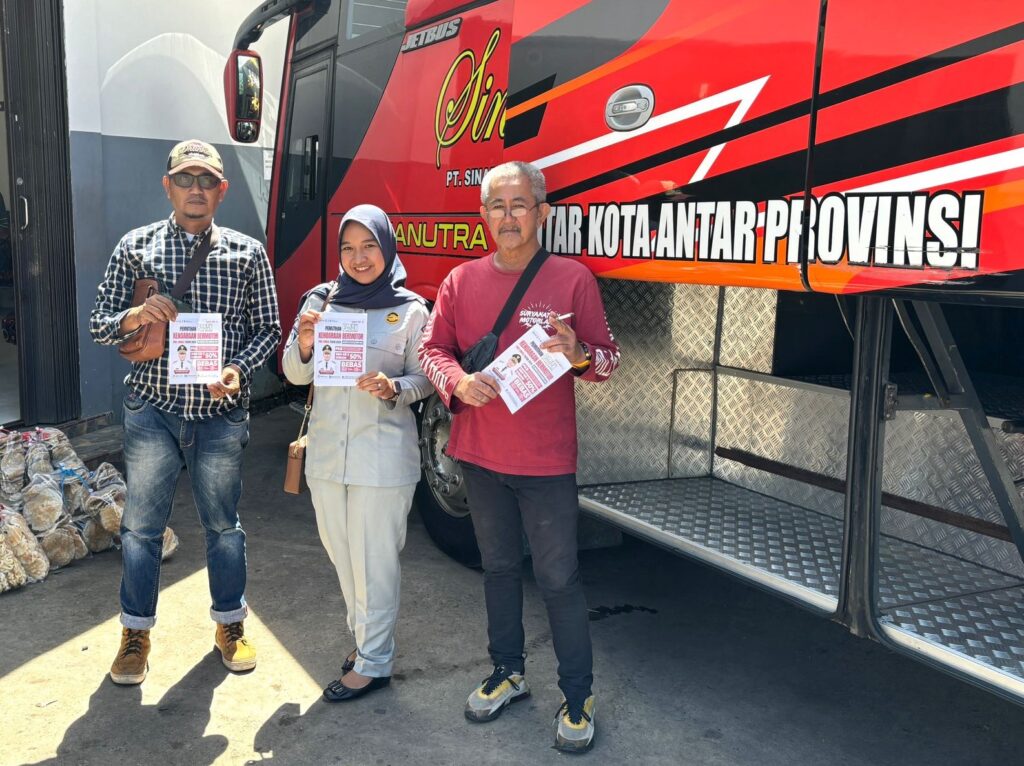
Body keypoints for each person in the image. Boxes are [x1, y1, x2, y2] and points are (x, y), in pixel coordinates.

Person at [418, 161, 620, 752]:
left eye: (519, 205)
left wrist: (579, 352)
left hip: (546, 464)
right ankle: (508, 672)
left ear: (541, 212)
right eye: (497, 206)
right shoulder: (460, 281)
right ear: (484, 215)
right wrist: (458, 382)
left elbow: (608, 361)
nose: (508, 217)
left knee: (559, 578)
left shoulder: (572, 280)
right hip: (479, 456)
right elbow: (432, 351)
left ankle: (578, 696)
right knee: (499, 569)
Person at [90, 139, 281, 685]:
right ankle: (135, 633)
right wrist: (135, 315)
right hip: (152, 409)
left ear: (222, 190)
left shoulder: (247, 253)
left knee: (223, 526)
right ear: (167, 186)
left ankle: (230, 624)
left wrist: (238, 369)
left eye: (206, 180)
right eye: (184, 178)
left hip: (220, 413)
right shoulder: (136, 247)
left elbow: (269, 329)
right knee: (141, 529)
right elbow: (101, 324)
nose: (195, 189)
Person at [282, 204, 432, 702]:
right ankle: (368, 642)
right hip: (328, 456)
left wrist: (395, 387)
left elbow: (427, 377)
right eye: (348, 247)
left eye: (369, 246)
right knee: (344, 557)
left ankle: (374, 662)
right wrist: (305, 343)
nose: (359, 257)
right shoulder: (321, 301)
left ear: (387, 248)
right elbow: (295, 374)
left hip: (382, 459)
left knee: (375, 563)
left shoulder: (411, 310)